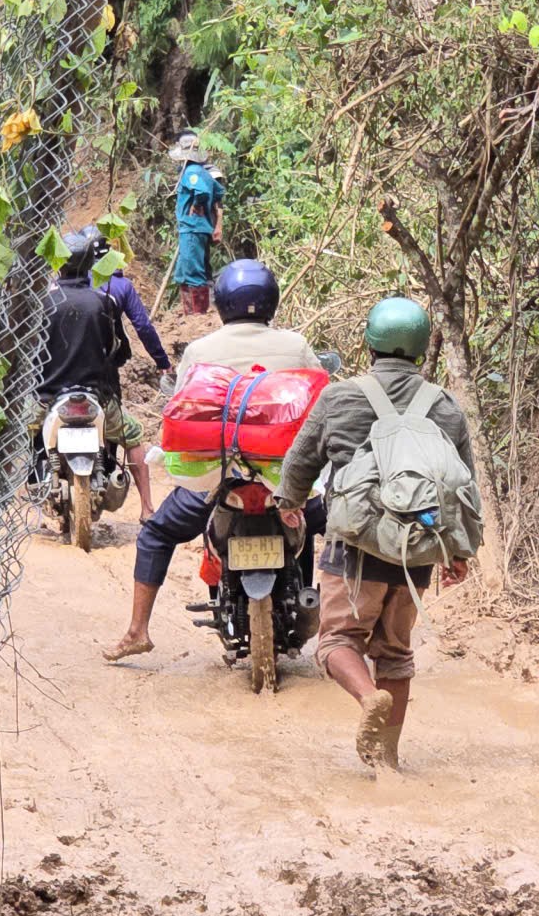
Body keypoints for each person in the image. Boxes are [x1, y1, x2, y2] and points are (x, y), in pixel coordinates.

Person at [276, 296, 474, 771]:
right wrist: (458, 552)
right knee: (396, 654)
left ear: (369, 343)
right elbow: (463, 484)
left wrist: (290, 502)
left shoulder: (340, 397)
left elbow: (302, 460)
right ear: (422, 349)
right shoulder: (446, 407)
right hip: (419, 550)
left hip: (355, 547)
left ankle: (367, 699)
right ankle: (389, 760)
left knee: (337, 641)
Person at [103, 259, 320, 663]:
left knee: (156, 535)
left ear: (221, 302)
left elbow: (182, 405)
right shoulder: (296, 346)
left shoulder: (201, 350)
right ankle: (353, 630)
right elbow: (319, 406)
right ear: (271, 299)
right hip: (283, 479)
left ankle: (137, 631)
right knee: (343, 525)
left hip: (215, 478)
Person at [36, 231, 155, 522]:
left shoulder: (43, 304)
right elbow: (120, 349)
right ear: (91, 264)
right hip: (97, 395)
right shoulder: (103, 302)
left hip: (49, 396)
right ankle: (147, 508)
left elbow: (32, 354)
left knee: (28, 434)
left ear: (58, 264)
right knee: (135, 437)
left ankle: (35, 480)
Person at [75, 225, 174, 387]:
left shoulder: (70, 285)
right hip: (108, 354)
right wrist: (162, 362)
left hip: (73, 353)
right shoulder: (122, 285)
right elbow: (143, 326)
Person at [170, 130, 225, 315]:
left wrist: (197, 204)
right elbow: (218, 192)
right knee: (183, 271)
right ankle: (188, 314)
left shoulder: (192, 172)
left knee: (194, 271)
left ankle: (198, 316)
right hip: (195, 229)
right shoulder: (203, 172)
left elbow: (201, 192)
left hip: (192, 229)